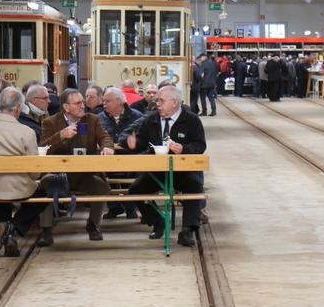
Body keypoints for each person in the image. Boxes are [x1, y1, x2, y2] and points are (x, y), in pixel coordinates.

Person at [125, 85, 207, 247]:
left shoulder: (191, 120)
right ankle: (158, 220)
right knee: (135, 190)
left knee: (195, 186)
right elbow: (141, 141)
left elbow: (200, 146)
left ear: (175, 103)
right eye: (157, 101)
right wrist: (133, 144)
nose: (158, 105)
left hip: (182, 171)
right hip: (157, 171)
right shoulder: (151, 119)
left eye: (161, 101)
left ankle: (187, 230)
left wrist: (184, 149)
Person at [0, 87, 47, 256]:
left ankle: (5, 229)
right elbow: (35, 173)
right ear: (19, 108)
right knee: (45, 194)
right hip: (20, 189)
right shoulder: (27, 132)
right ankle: (13, 228)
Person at [40, 89, 115, 241]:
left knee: (101, 187)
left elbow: (105, 137)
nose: (83, 105)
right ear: (66, 107)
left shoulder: (92, 119)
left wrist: (107, 147)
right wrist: (60, 136)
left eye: (83, 102)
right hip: (59, 175)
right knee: (45, 184)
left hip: (85, 174)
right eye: (78, 103)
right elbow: (42, 147)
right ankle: (46, 229)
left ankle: (93, 225)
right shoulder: (51, 122)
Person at [99, 86, 144, 220]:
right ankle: (114, 207)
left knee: (131, 175)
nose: (104, 104)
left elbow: (143, 139)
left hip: (131, 159)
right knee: (101, 174)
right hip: (108, 160)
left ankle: (130, 207)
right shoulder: (99, 118)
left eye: (107, 101)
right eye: (103, 101)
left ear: (119, 102)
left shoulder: (137, 116)